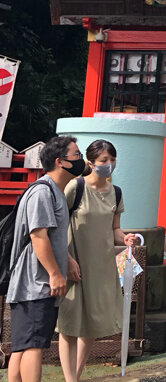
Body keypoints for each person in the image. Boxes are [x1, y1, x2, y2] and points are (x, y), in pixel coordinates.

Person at [57, 139, 137, 382]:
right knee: (69, 325)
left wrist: (125, 238)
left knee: (92, 324)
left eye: (112, 160)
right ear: (91, 162)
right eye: (104, 160)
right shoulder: (75, 187)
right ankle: (70, 379)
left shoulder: (117, 192)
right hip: (75, 263)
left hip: (101, 266)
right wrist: (66, 260)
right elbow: (58, 225)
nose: (109, 164)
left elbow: (114, 229)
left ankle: (76, 376)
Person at [7, 135, 84, 382]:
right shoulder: (43, 191)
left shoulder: (53, 191)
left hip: (30, 283)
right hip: (35, 282)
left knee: (22, 346)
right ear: (60, 161)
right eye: (77, 155)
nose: (81, 160)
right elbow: (38, 236)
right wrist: (55, 274)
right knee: (33, 346)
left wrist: (67, 260)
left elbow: (51, 237)